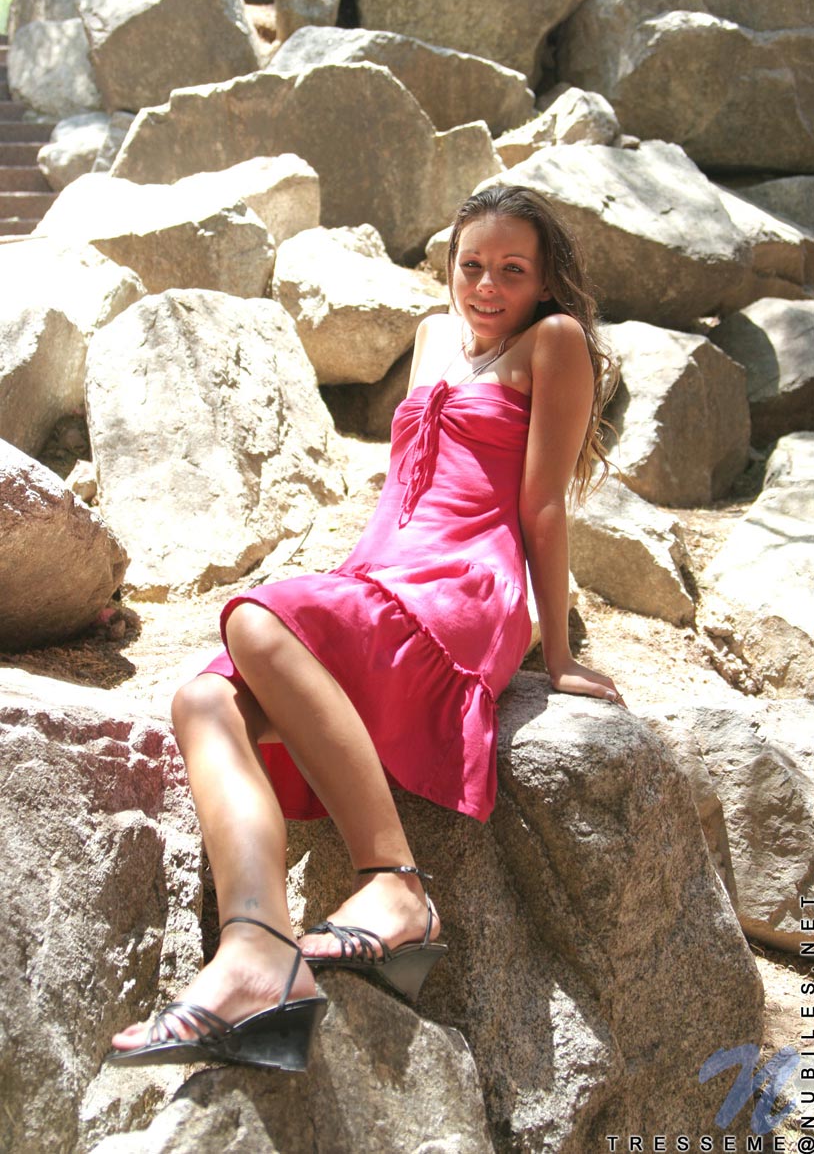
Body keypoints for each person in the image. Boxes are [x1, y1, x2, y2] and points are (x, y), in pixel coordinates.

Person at [108, 183, 623, 1071]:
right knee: (200, 700)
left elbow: (541, 506)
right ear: (448, 265)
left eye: (512, 270)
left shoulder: (555, 341)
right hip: (383, 576)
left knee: (255, 620)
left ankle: (395, 884)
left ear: (545, 281)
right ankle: (256, 955)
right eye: (471, 265)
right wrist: (346, 588)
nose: (487, 285)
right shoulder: (431, 337)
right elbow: (400, 488)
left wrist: (561, 653)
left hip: (465, 584)